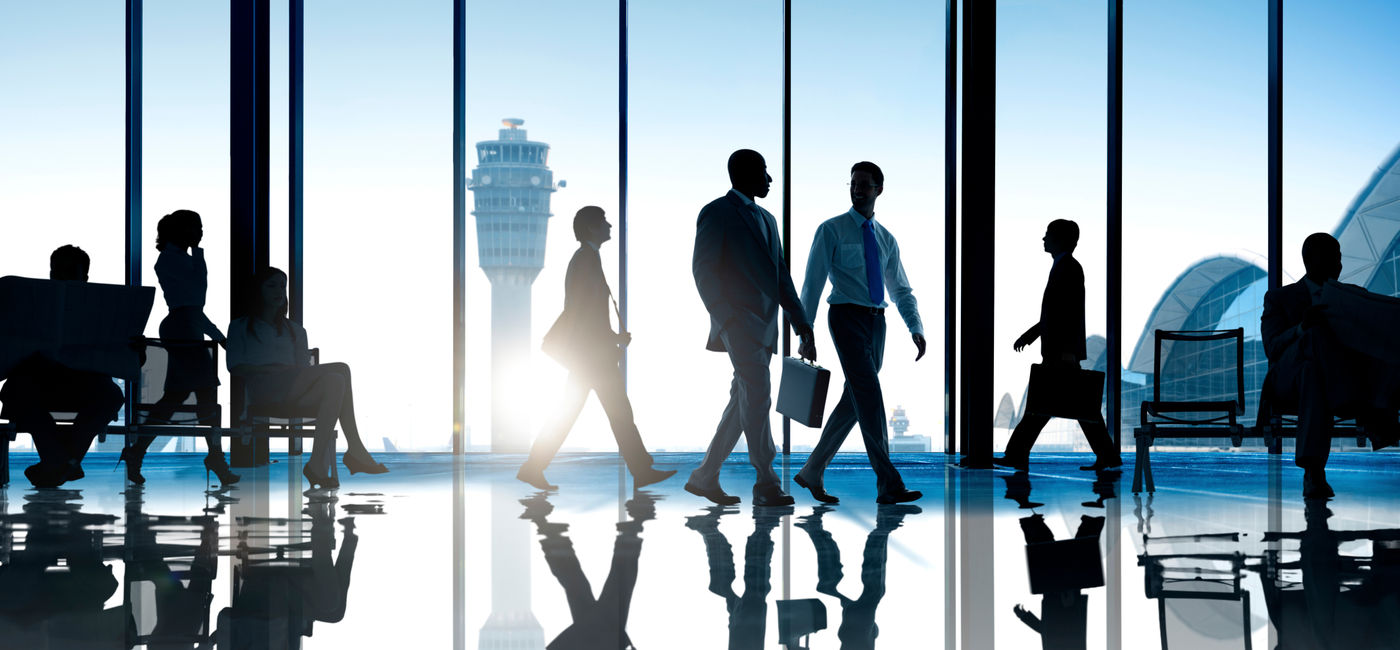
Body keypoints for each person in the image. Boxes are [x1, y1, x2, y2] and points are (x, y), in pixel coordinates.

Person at [686, 149, 815, 507]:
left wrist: (802, 323)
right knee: (758, 395)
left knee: (743, 401)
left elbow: (781, 277)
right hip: (738, 323)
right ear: (743, 174)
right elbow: (703, 269)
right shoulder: (717, 213)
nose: (770, 179)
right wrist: (726, 319)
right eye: (763, 171)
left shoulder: (769, 220)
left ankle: (704, 476)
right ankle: (766, 482)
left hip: (765, 326)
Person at [792, 161, 923, 505]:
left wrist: (915, 327)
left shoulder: (886, 239)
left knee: (854, 400)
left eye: (865, 184)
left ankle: (811, 471)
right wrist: (805, 331)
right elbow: (812, 284)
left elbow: (901, 290)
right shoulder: (831, 230)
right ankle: (889, 484)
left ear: (879, 189)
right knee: (869, 394)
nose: (857, 189)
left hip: (878, 322)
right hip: (846, 317)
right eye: (853, 183)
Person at [517, 207, 675, 491]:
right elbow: (583, 311)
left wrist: (612, 338)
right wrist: (611, 342)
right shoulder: (586, 259)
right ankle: (641, 469)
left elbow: (584, 311)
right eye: (604, 221)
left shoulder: (586, 257)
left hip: (589, 355)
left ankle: (534, 467)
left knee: (582, 411)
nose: (610, 224)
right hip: (592, 357)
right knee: (615, 412)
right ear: (591, 228)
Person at [1260, 232, 1400, 499]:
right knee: (1315, 335)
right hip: (1288, 377)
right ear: (1310, 260)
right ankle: (1373, 413)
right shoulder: (1279, 299)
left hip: (1318, 379)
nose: (1339, 265)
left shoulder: (1353, 297)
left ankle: (1314, 473)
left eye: (1340, 258)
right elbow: (1272, 348)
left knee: (1315, 375)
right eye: (1333, 257)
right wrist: (1302, 327)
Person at [226, 267, 387, 490]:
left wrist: (286, 373)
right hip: (264, 392)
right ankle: (355, 449)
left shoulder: (295, 330)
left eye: (282, 286)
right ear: (258, 291)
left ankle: (316, 464)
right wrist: (269, 370)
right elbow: (234, 365)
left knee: (336, 381)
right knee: (341, 368)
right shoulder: (240, 326)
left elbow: (301, 370)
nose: (279, 291)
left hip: (293, 390)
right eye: (271, 285)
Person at [122, 209, 239, 486]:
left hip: (187, 327)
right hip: (184, 327)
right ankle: (215, 457)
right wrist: (220, 336)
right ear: (181, 231)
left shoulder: (180, 259)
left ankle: (138, 451)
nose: (201, 232)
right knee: (199, 397)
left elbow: (195, 304)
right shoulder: (171, 261)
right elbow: (192, 302)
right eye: (196, 227)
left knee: (182, 397)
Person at [994, 220, 1120, 472]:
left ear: (1060, 239)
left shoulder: (1069, 268)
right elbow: (1056, 313)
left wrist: (1064, 351)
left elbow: (1065, 314)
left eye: (1048, 235)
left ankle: (1017, 455)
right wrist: (1034, 334)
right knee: (1074, 407)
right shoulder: (1065, 267)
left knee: (1044, 406)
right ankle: (1108, 456)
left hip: (1061, 352)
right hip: (1062, 351)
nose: (1043, 239)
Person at [0, 246, 125, 488]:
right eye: (57, 272)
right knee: (15, 390)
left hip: (81, 382)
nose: (61, 278)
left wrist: (132, 348)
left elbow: (126, 360)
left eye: (69, 272)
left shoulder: (98, 311)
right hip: (43, 381)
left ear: (85, 278)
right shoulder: (35, 305)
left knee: (111, 395)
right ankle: (67, 461)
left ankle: (57, 462)